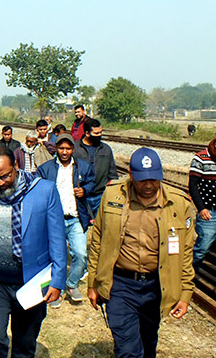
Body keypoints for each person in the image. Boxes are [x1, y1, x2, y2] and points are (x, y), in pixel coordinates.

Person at [87, 147, 196, 358]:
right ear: (131, 175)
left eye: (154, 180)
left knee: (148, 343)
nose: (148, 186)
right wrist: (93, 282)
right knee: (128, 350)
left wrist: (185, 293)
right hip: (120, 284)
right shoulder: (112, 195)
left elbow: (185, 253)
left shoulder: (179, 203)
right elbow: (97, 240)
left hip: (156, 286)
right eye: (142, 180)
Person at [0, 146, 66, 358]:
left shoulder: (44, 190)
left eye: (5, 176)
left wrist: (58, 281)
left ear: (16, 166)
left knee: (24, 344)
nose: (0, 183)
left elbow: (57, 239)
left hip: (31, 282)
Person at [36, 134, 94, 307]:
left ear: (73, 150)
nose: (64, 152)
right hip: (55, 221)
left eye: (68, 148)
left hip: (75, 218)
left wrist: (85, 190)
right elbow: (38, 189)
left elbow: (92, 183)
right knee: (57, 257)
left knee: (81, 254)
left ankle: (71, 284)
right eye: (61, 148)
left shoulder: (82, 167)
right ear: (56, 149)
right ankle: (57, 290)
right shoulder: (46, 169)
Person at [73, 118, 117, 216]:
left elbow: (112, 173)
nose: (100, 135)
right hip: (81, 198)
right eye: (96, 133)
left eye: (101, 132)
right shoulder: (75, 149)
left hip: (100, 196)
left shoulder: (105, 149)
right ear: (87, 133)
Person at [188, 137, 216, 270]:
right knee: (202, 248)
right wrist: (201, 208)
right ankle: (187, 274)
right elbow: (193, 186)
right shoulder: (201, 158)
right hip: (209, 212)